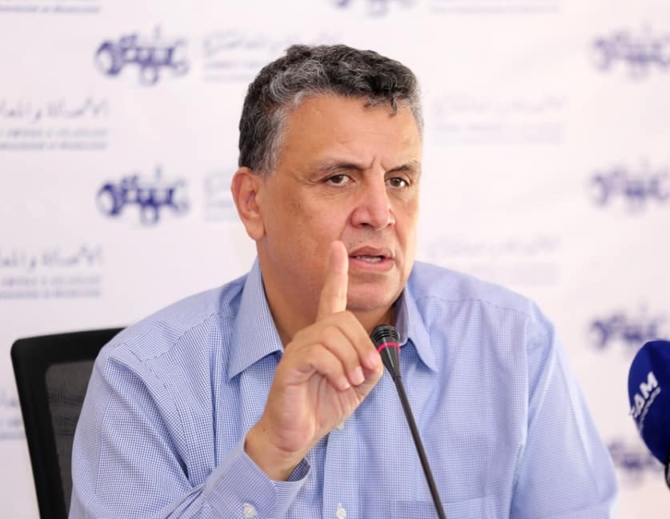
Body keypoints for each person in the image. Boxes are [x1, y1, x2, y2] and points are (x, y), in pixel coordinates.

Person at [71, 44, 618, 518]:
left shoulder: (514, 346)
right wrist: (268, 457)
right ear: (252, 202)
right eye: (339, 178)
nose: (380, 213)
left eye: (399, 180)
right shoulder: (146, 377)